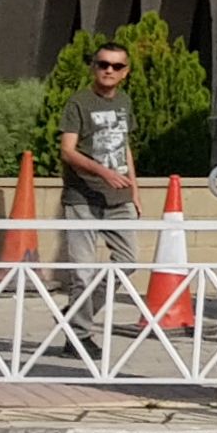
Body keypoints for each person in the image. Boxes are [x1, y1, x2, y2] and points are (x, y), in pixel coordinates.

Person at [57, 43, 144, 272]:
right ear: (93, 68)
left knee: (129, 261)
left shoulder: (124, 101)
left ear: (125, 72)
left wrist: (134, 190)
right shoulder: (79, 102)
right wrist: (103, 172)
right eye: (103, 64)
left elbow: (124, 146)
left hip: (119, 198)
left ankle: (86, 304)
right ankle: (82, 306)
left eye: (117, 66)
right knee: (83, 270)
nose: (109, 70)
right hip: (82, 198)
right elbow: (67, 150)